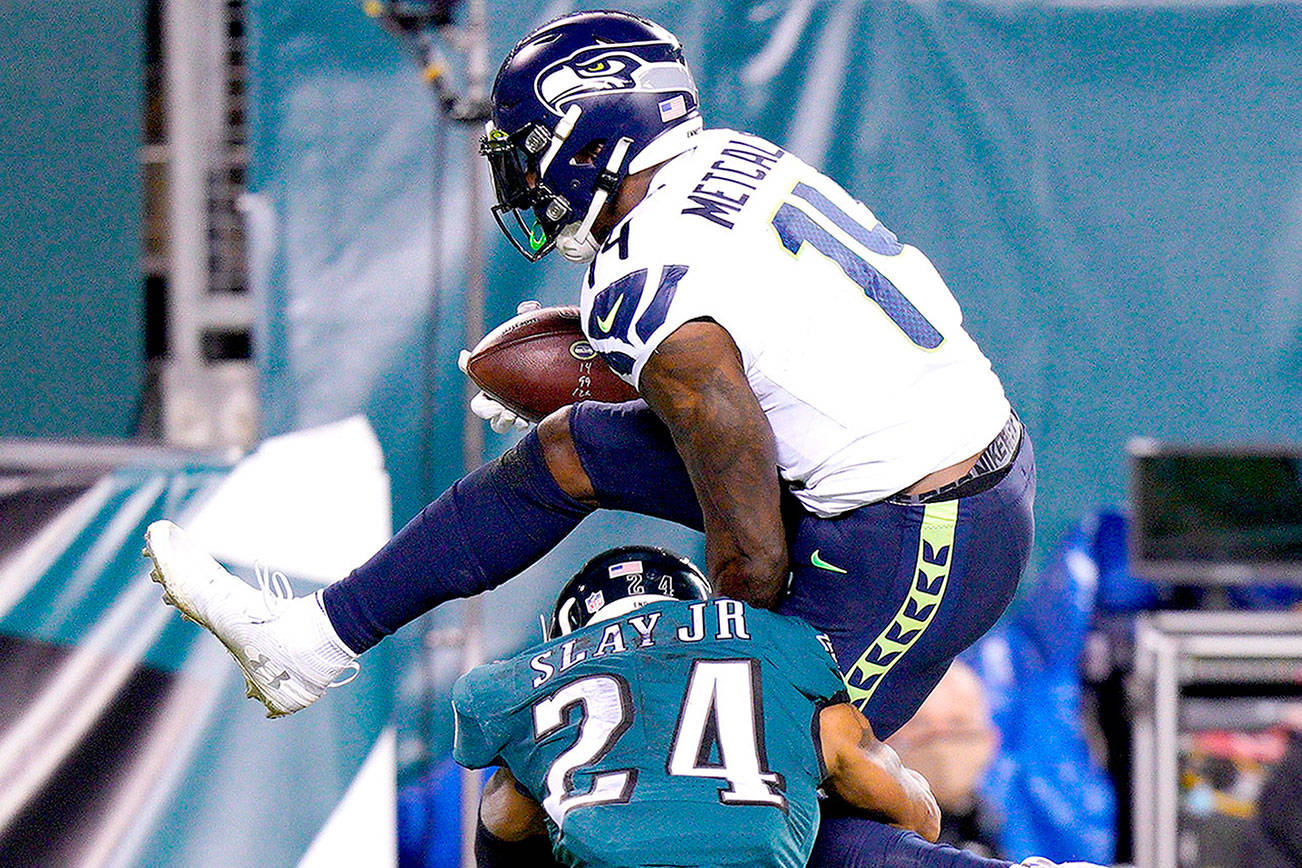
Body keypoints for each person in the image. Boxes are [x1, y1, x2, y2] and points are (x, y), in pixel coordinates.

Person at [142, 7, 1042, 863]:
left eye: (529, 150)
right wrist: (627, 364)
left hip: (921, 532)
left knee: (748, 790)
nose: (523, 179)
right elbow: (759, 345)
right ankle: (313, 639)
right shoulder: (725, 157)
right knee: (570, 451)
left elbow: (753, 555)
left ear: (590, 140)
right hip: (903, 468)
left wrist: (725, 691)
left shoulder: (649, 279)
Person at [453, 545, 941, 868]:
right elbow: (919, 818)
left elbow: (501, 830)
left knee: (513, 791)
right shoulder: (782, 651)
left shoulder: (522, 687)